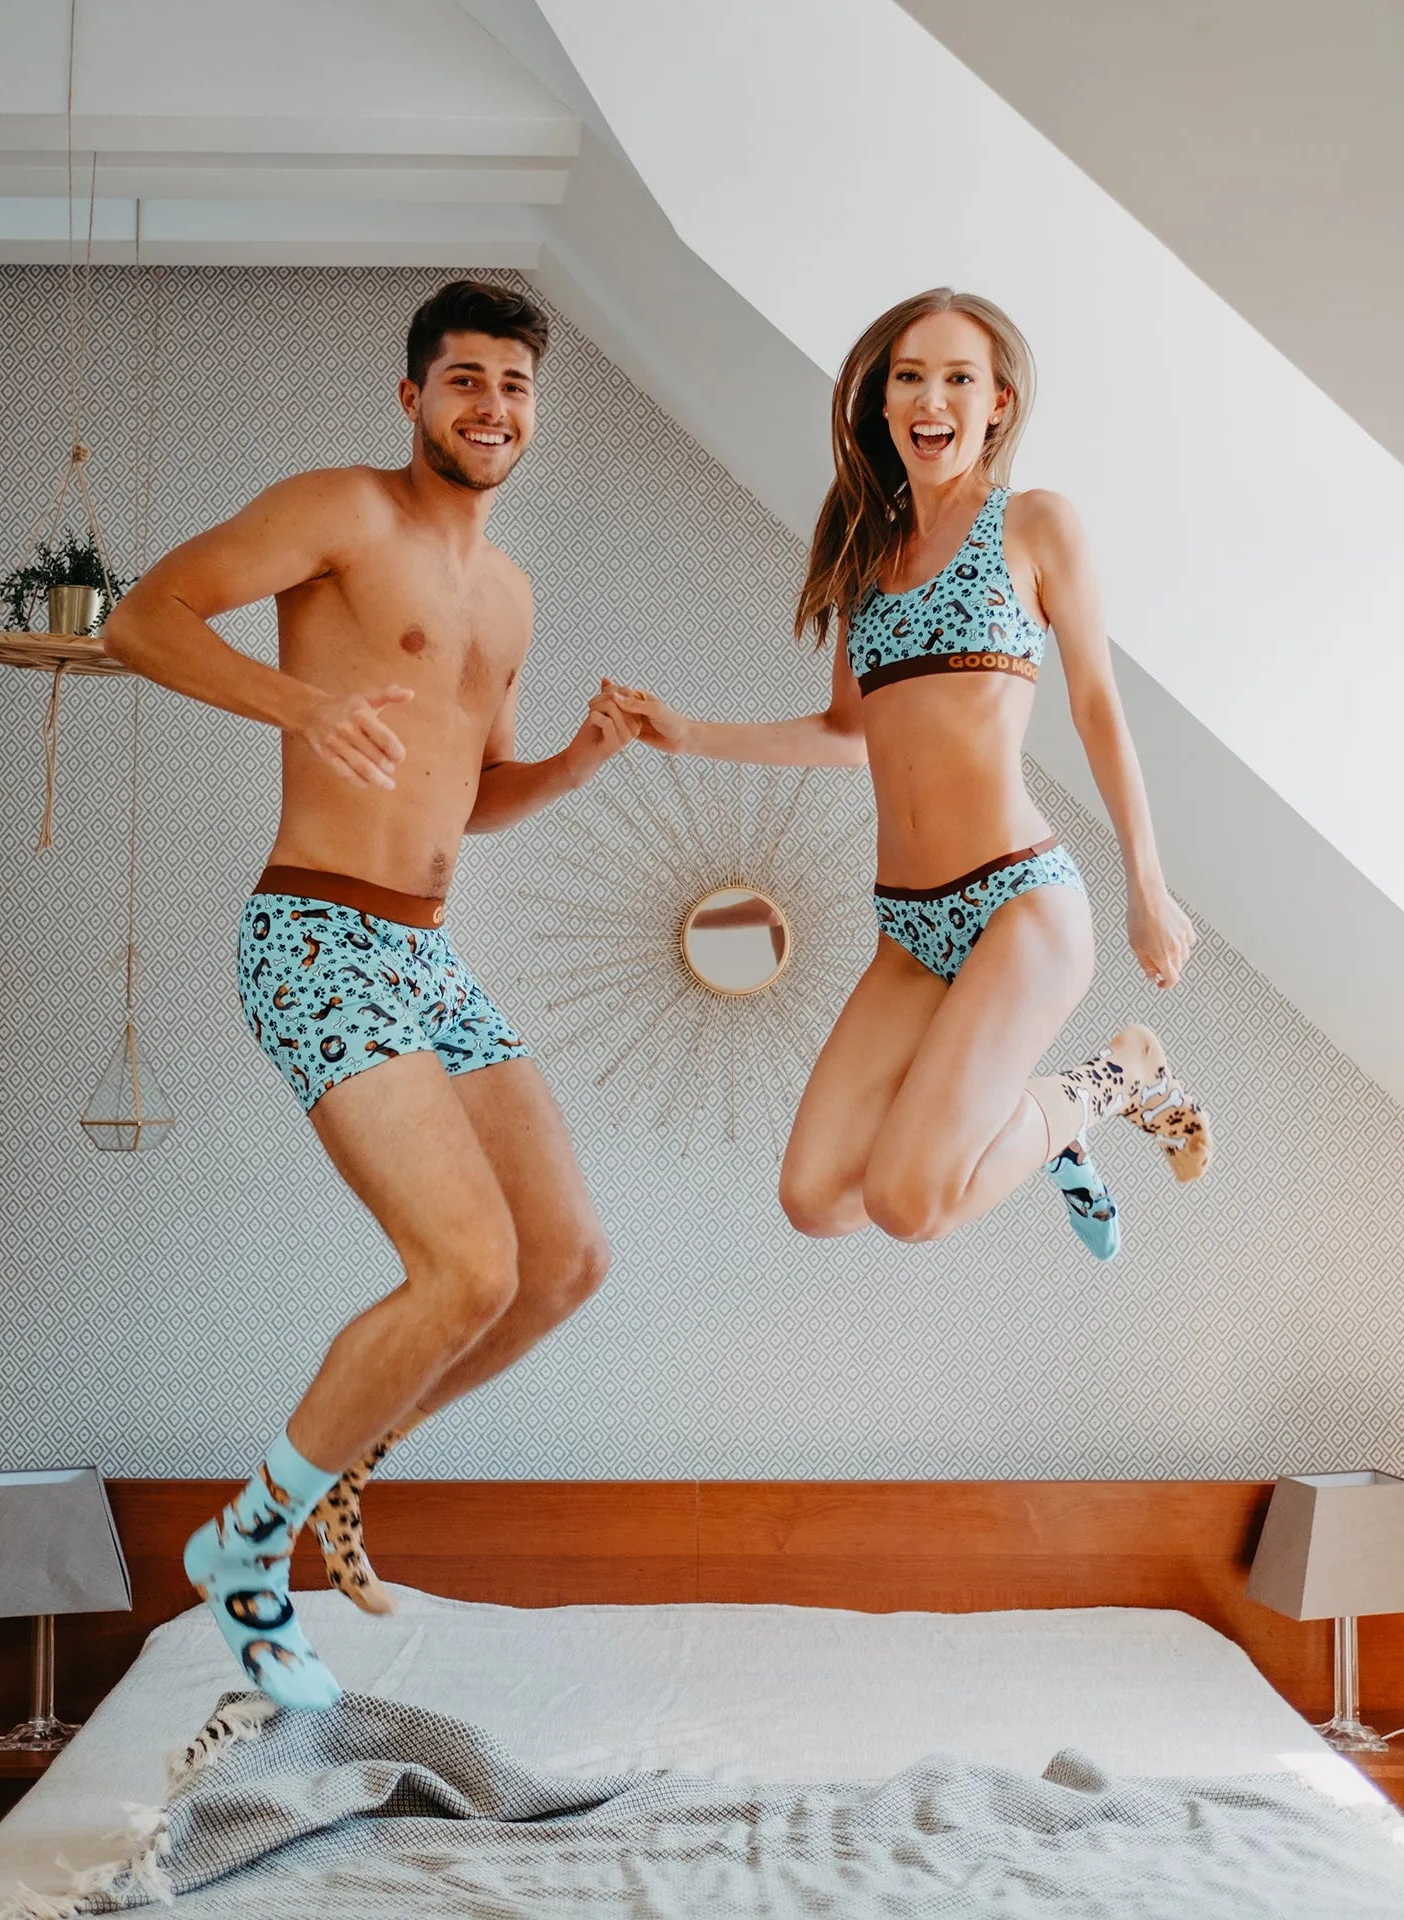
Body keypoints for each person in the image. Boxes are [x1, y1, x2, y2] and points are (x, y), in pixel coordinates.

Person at [104, 279, 639, 1709]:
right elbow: (142, 620)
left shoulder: (508, 594)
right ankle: (246, 1542)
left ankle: (346, 1461)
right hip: (314, 935)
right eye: (465, 380)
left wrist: (576, 764)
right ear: (414, 398)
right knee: (468, 1268)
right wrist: (303, 704)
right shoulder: (342, 511)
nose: (492, 407)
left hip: (425, 951)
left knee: (564, 1263)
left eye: (514, 386)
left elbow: (474, 795)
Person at [610, 288, 1211, 1264]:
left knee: (907, 1203)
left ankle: (1109, 1081)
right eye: (910, 377)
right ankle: (1043, 1129)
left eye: (959, 378)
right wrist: (689, 735)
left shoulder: (1034, 524)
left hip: (1020, 901)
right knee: (815, 1198)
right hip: (911, 925)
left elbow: (1098, 707)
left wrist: (1147, 884)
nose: (933, 398)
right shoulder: (868, 563)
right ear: (884, 404)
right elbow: (849, 734)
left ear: (998, 403)